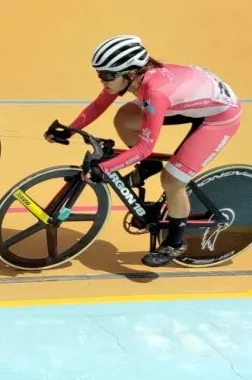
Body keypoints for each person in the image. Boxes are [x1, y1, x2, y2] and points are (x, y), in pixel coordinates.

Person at [46, 34, 242, 267]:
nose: (103, 81)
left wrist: (105, 168)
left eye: (107, 75)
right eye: (99, 74)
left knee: (172, 181)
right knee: (124, 119)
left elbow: (144, 148)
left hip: (220, 117)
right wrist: (70, 130)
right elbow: (100, 104)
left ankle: (176, 243)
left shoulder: (154, 93)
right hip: (191, 98)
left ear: (130, 74)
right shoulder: (131, 76)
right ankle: (148, 169)